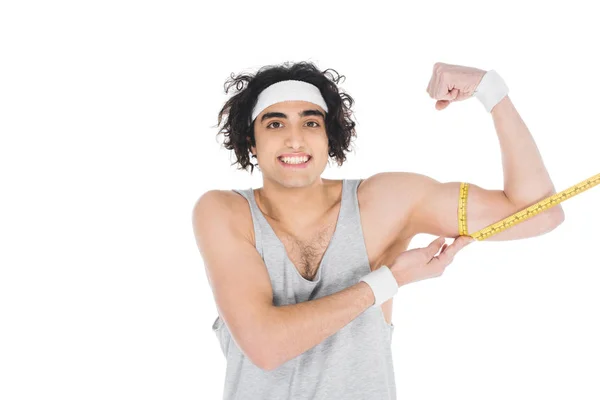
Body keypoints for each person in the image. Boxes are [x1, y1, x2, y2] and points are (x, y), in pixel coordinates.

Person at [192, 61, 565, 400]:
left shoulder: (384, 202)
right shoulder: (224, 212)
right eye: (275, 123)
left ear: (329, 138)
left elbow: (539, 214)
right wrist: (389, 280)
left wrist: (491, 89)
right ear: (249, 142)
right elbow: (266, 345)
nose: (295, 139)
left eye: (311, 122)